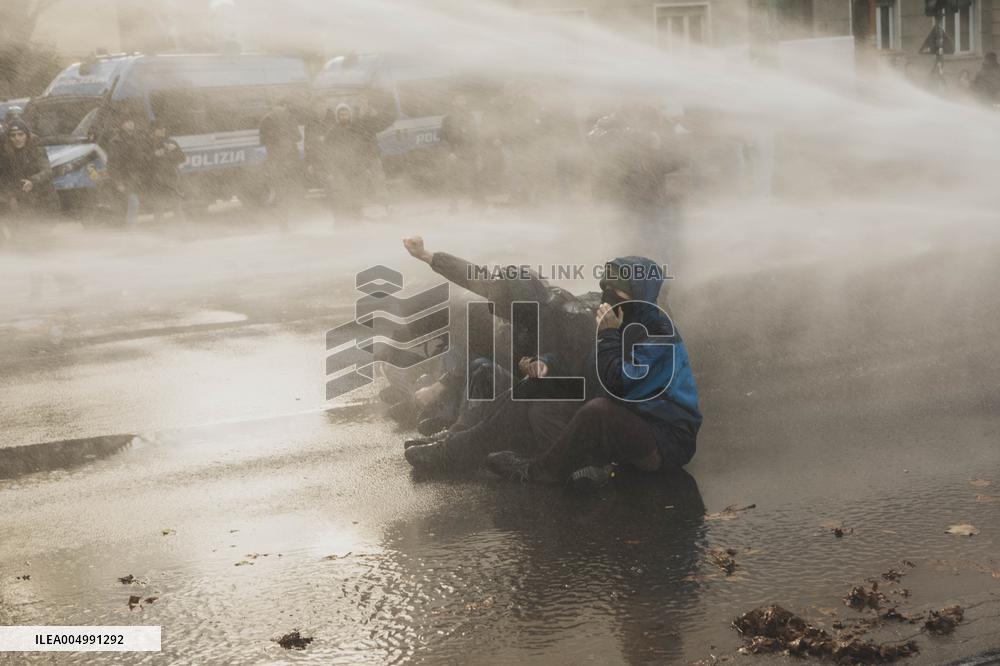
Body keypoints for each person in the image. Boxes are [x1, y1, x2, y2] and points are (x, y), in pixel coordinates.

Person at [486, 256, 702, 489]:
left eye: (617, 290)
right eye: (605, 287)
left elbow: (620, 386)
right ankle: (583, 466)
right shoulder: (620, 324)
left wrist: (607, 336)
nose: (608, 294)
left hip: (664, 442)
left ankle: (536, 472)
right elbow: (582, 362)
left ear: (640, 293)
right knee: (540, 391)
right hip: (628, 424)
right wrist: (544, 364)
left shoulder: (660, 335)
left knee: (597, 410)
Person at [401, 236, 601, 472]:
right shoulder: (521, 297)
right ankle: (456, 435)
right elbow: (474, 277)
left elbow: (580, 363)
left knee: (525, 391)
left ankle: (458, 450)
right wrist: (428, 256)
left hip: (573, 394)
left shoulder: (567, 315)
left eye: (506, 312)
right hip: (537, 383)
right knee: (483, 369)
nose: (503, 318)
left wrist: (545, 365)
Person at [1, 117, 53, 218]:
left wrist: (32, 181)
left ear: (26, 135)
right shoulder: (5, 155)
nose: (17, 138)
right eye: (13, 135)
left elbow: (47, 171)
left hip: (41, 198)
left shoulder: (37, 150)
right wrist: (9, 195)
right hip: (16, 198)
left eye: (20, 134)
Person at [106, 114, 151, 227]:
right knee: (131, 203)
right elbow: (112, 164)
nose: (131, 123)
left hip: (135, 177)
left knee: (131, 204)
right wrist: (118, 182)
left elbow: (142, 156)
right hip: (124, 178)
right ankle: (129, 229)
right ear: (122, 125)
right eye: (127, 121)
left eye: (132, 121)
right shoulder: (116, 142)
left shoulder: (137, 139)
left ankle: (127, 228)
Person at [259, 100, 303, 209]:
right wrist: (286, 136)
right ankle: (289, 208)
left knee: (278, 185)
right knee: (289, 184)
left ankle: (280, 210)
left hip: (275, 159)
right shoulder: (290, 118)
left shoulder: (266, 119)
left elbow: (261, 141)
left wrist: (273, 139)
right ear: (284, 105)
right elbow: (299, 137)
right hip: (290, 158)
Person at [440, 93, 480, 213]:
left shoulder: (470, 116)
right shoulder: (447, 119)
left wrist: (476, 151)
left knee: (472, 176)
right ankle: (454, 205)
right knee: (454, 178)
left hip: (469, 149)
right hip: (455, 151)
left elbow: (475, 135)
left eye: (463, 100)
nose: (462, 102)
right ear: (453, 102)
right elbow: (443, 137)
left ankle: (475, 202)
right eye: (458, 100)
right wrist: (450, 152)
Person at [147, 121, 187, 222]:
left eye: (164, 128)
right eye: (160, 128)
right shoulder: (147, 143)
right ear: (154, 130)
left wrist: (171, 152)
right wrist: (154, 155)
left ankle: (182, 229)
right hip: (156, 179)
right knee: (159, 207)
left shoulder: (171, 142)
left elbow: (182, 158)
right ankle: (161, 230)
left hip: (171, 178)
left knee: (176, 205)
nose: (163, 130)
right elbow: (145, 161)